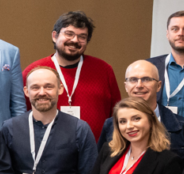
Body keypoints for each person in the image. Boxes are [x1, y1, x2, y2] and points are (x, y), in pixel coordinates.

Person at [0, 65, 97, 174]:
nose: (42, 92)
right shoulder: (9, 128)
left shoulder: (79, 129)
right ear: (26, 91)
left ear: (60, 89)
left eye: (48, 86)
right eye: (35, 87)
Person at [22, 11, 120, 139]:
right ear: (55, 36)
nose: (75, 40)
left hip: (96, 148)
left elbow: (116, 112)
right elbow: (22, 113)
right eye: (69, 34)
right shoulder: (34, 71)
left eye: (82, 37)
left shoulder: (104, 70)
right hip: (46, 147)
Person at [101, 60, 184, 162]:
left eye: (146, 79)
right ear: (126, 86)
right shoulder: (110, 125)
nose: (139, 85)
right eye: (133, 80)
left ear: (159, 86)